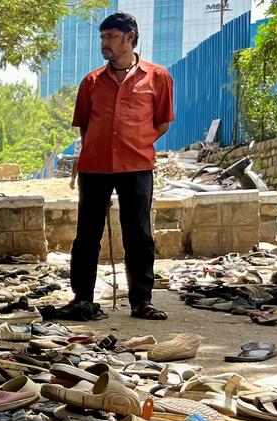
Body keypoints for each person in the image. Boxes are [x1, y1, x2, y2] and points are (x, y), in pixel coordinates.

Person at [69, 12, 174, 320]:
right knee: (87, 235)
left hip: (137, 165)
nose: (105, 43)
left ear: (130, 37)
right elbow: (85, 126)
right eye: (103, 37)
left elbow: (163, 122)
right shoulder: (90, 82)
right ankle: (82, 299)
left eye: (111, 36)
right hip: (94, 167)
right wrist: (91, 151)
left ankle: (142, 302)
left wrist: (137, 143)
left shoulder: (158, 77)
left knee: (139, 234)